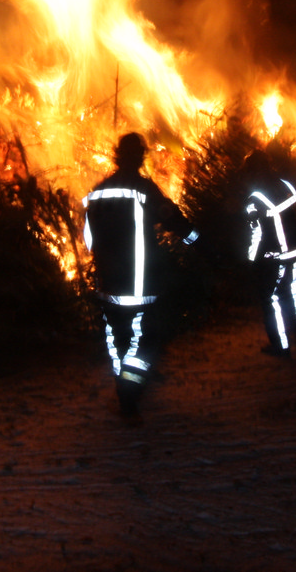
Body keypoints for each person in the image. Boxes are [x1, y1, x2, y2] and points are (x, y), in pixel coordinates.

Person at [82, 132, 198, 416]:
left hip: (108, 285)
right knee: (146, 342)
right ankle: (129, 391)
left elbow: (88, 240)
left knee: (117, 339)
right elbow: (173, 220)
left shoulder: (98, 192)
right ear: (140, 157)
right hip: (139, 285)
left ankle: (122, 382)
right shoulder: (143, 189)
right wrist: (198, 241)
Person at [242, 150, 296, 357]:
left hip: (279, 255)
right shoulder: (286, 185)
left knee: (272, 298)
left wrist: (251, 259)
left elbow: (257, 234)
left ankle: (281, 345)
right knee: (293, 287)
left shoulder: (255, 199)